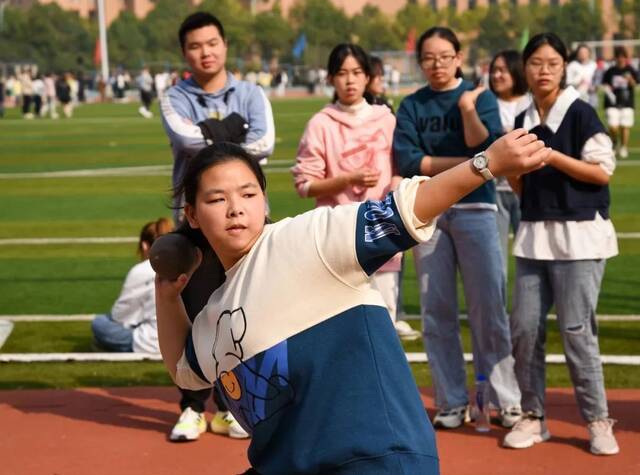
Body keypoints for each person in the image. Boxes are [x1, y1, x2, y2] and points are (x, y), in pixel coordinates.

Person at [155, 131, 549, 474]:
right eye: (216, 199)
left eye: (248, 193)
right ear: (191, 214)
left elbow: (408, 208)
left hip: (374, 460)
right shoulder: (213, 318)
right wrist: (165, 292)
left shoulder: (310, 239)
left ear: (265, 202)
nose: (235, 208)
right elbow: (184, 370)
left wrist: (487, 163)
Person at [392, 26, 522, 430]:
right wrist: (472, 165)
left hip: (476, 211)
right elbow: (408, 162)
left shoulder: (479, 99)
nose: (436, 64)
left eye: (445, 56)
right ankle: (451, 401)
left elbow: (487, 148)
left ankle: (505, 399)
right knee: (436, 311)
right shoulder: (412, 105)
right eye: (428, 58)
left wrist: (467, 112)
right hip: (428, 213)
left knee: (489, 309)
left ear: (459, 57)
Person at [160, 11, 275, 442]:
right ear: (185, 53)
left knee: (245, 310)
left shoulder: (252, 92)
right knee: (193, 311)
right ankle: (191, 406)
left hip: (246, 221)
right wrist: (234, 134)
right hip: (193, 224)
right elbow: (185, 138)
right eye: (195, 46)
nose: (205, 52)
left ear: (225, 45)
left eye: (212, 43)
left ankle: (232, 406)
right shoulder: (174, 97)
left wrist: (214, 135)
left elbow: (266, 142)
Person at [504, 32, 620, 456]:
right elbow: (517, 183)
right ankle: (533, 415)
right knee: (525, 329)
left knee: (576, 331)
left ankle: (596, 419)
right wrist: (517, 176)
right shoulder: (521, 120)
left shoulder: (582, 114)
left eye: (552, 63)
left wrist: (552, 157)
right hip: (535, 236)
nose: (544, 70)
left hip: (580, 237)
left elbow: (602, 171)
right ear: (525, 67)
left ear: (564, 66)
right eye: (535, 63)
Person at [291, 43, 418, 341]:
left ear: (368, 77)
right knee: (339, 320)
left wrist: (396, 183)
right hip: (336, 234)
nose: (350, 81)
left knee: (383, 315)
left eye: (357, 72)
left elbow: (402, 165)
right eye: (342, 73)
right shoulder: (320, 124)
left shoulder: (386, 119)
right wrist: (347, 179)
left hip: (381, 229)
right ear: (330, 79)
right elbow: (305, 185)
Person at [92, 218, 174, 353]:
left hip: (151, 341)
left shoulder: (142, 270)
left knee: (100, 322)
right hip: (183, 338)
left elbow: (119, 316)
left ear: (144, 246)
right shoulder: (185, 264)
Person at [489, 49, 530, 282]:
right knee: (495, 259)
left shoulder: (531, 103)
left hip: (527, 189)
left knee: (531, 256)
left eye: (502, 70)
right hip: (494, 190)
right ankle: (498, 314)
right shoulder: (487, 103)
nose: (497, 75)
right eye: (494, 70)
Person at [602, 46, 639, 159]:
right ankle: (614, 143)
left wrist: (630, 80)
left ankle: (624, 147)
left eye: (623, 57)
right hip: (612, 103)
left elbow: (635, 85)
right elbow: (605, 84)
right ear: (616, 58)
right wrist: (609, 90)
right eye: (619, 57)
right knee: (613, 126)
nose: (621, 59)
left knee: (625, 126)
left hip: (627, 102)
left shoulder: (631, 69)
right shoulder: (610, 71)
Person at [567, 44, 598, 108]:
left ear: (589, 53)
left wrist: (594, 87)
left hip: (590, 96)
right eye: (581, 52)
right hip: (575, 96)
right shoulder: (572, 65)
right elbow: (567, 82)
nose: (583, 54)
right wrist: (578, 82)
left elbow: (597, 80)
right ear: (577, 53)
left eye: (585, 52)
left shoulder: (594, 65)